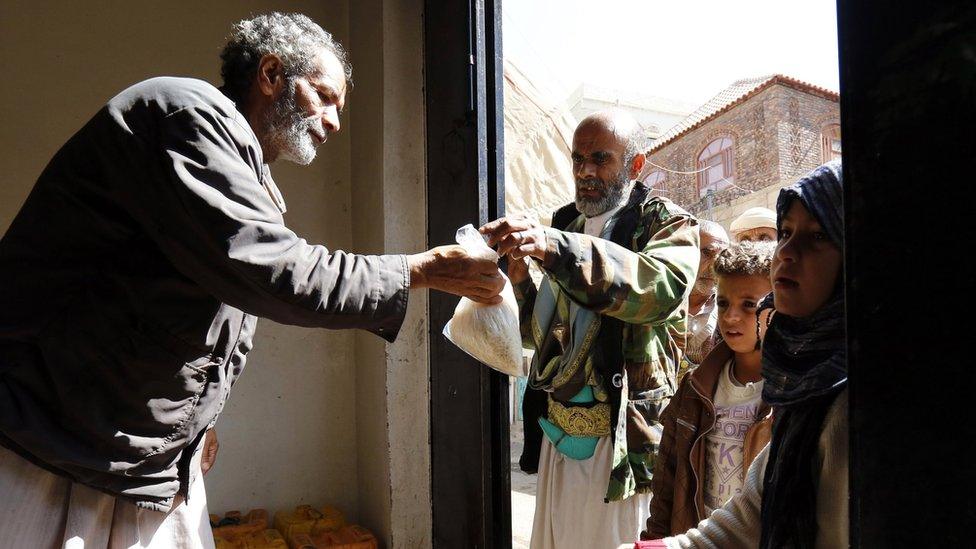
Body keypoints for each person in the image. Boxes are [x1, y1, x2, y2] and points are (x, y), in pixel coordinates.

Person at [0, 13, 502, 548]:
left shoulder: (240, 167)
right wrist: (418, 270)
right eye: (325, 96)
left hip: (130, 453)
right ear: (270, 73)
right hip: (54, 444)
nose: (334, 121)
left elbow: (212, 314)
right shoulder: (185, 115)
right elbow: (273, 272)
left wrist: (197, 424)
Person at [480, 110, 700, 549]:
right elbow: (538, 338)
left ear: (636, 165)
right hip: (559, 436)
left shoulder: (668, 223)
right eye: (578, 159)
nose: (586, 172)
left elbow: (657, 291)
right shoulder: (566, 223)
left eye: (601, 159)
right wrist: (519, 279)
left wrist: (555, 248)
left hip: (622, 441)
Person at [658, 161, 848, 549]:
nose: (787, 252)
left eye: (817, 237)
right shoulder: (801, 391)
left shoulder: (849, 409)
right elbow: (747, 518)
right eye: (786, 233)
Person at [644, 242, 775, 539]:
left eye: (749, 305)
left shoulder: (790, 395)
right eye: (724, 303)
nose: (730, 317)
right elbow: (666, 485)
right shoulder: (694, 389)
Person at [681, 221, 729, 373]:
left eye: (721, 256)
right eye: (706, 253)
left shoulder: (730, 310)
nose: (713, 266)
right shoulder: (661, 304)